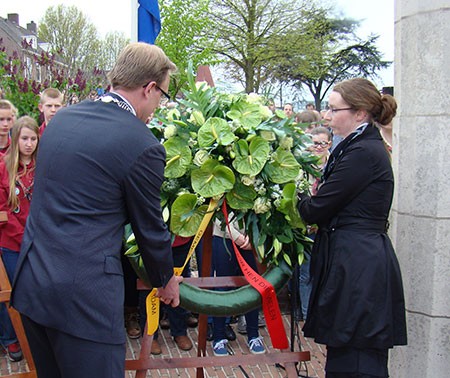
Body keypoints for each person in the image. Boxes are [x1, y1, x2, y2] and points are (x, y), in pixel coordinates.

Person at [10, 42, 182, 378]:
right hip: (83, 299)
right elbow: (149, 228)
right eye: (162, 93)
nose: (159, 104)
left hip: (33, 284)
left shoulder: (63, 119)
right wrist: (165, 280)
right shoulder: (142, 143)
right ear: (148, 88)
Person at [298, 78, 407, 378]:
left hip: (359, 265)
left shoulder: (363, 153)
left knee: (357, 360)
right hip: (353, 259)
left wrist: (293, 192)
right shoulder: (356, 147)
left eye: (334, 110)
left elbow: (317, 209)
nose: (327, 116)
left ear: (360, 113)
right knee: (346, 354)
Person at [0, 116, 39, 362]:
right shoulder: (4, 166)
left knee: (34, 291)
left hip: (39, 242)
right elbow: (3, 208)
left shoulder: (43, 165)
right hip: (13, 242)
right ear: (15, 139)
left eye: (33, 138)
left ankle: (32, 337)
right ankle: (10, 338)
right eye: (24, 138)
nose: (28, 144)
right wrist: (23, 237)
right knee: (11, 292)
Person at [210, 216, 265, 356]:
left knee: (252, 286)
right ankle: (218, 337)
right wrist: (235, 235)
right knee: (222, 286)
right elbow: (215, 210)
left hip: (249, 238)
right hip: (223, 236)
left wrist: (253, 235)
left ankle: (253, 335)